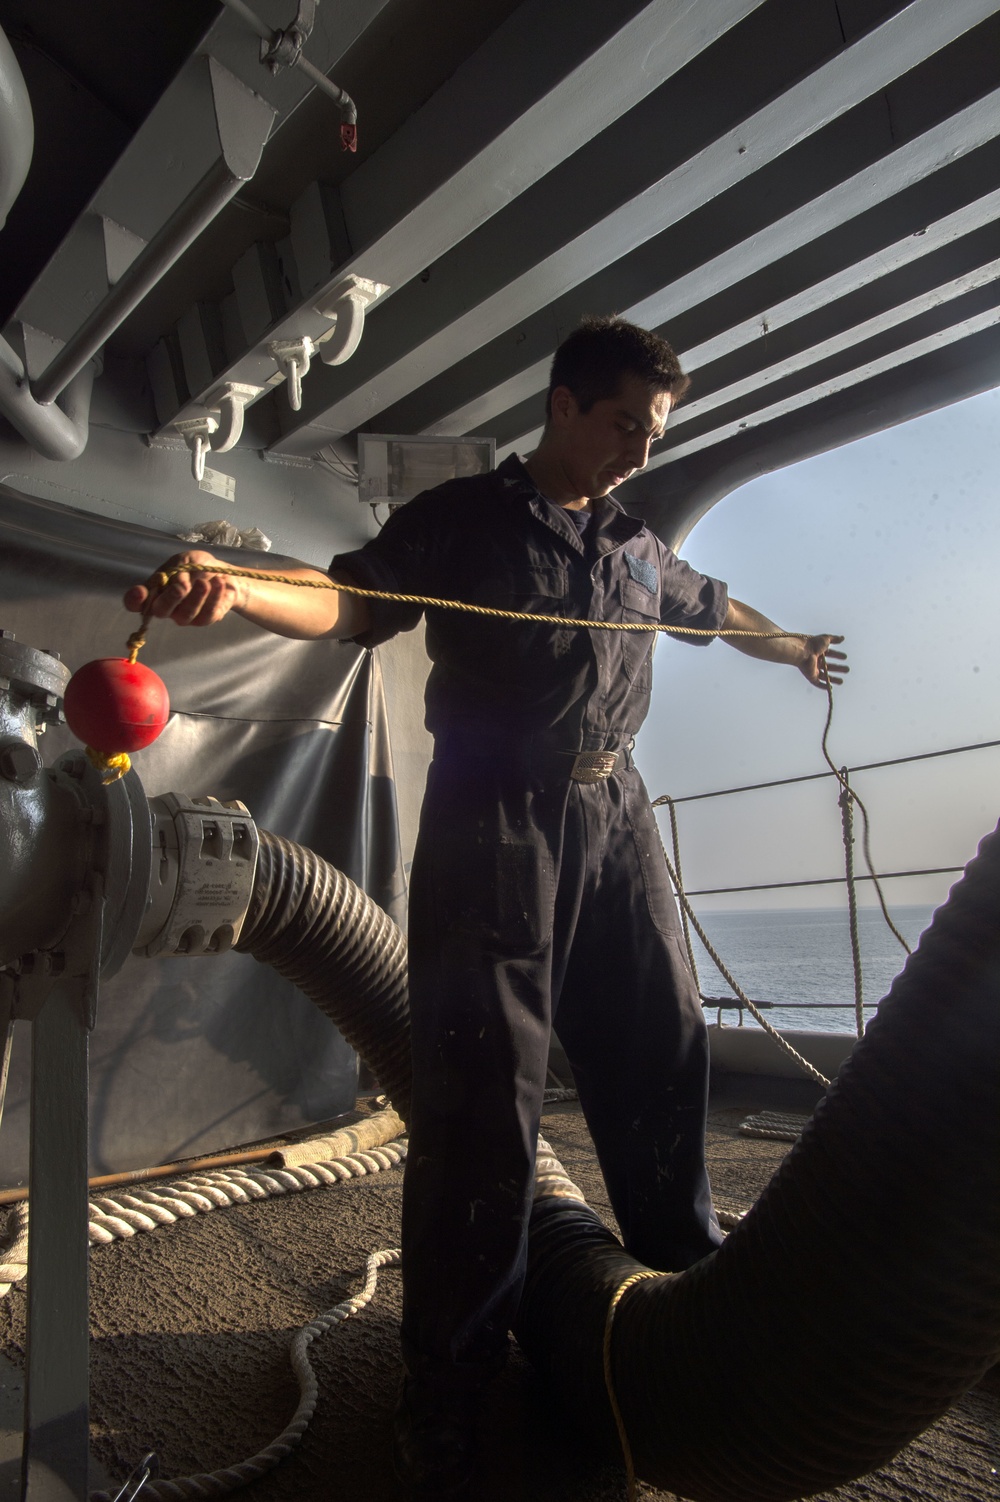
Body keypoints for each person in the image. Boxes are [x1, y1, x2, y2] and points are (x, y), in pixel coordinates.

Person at [125, 317, 847, 1497]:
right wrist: (239, 589)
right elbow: (347, 601)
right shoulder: (461, 521)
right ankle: (447, 1386)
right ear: (562, 405)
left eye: (653, 432)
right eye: (622, 423)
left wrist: (796, 648)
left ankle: (692, 1299)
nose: (635, 448)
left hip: (617, 815)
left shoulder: (632, 541)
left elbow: (718, 607)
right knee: (482, 1098)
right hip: (492, 813)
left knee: (661, 1052)